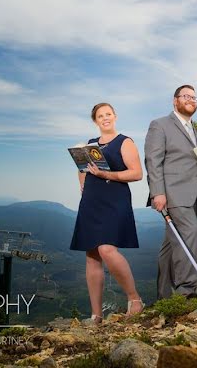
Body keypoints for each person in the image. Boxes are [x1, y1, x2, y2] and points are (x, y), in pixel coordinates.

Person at [70, 102, 144, 323]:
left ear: (115, 116)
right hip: (91, 201)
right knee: (92, 256)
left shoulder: (125, 142)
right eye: (100, 116)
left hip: (115, 200)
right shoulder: (90, 144)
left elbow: (137, 173)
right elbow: (82, 170)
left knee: (107, 249)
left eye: (108, 114)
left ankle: (135, 299)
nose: (105, 118)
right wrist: (83, 183)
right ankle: (96, 315)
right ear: (95, 121)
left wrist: (106, 176)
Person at [145, 85, 197, 299]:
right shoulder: (160, 125)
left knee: (171, 245)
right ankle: (187, 292)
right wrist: (157, 192)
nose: (190, 99)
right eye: (185, 96)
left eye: (194, 97)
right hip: (173, 193)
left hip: (195, 193)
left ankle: (164, 296)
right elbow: (153, 160)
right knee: (189, 237)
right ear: (175, 101)